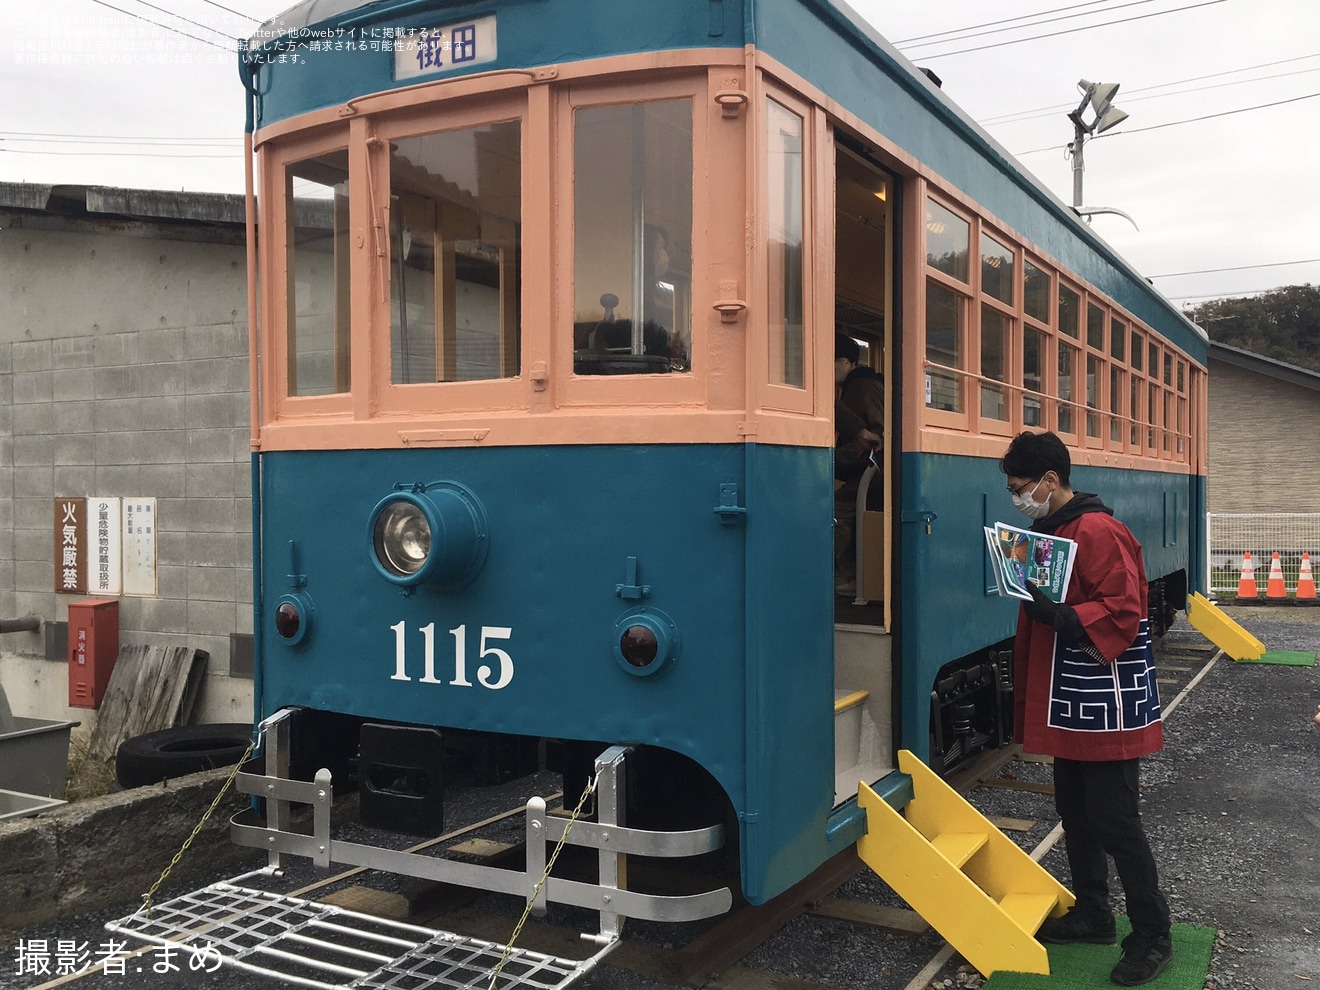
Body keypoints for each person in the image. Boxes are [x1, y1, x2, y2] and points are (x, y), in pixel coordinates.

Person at [1000, 430, 1174, 987]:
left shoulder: (1099, 530)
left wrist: (1064, 618)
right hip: (1071, 696)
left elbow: (1125, 609)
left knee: (1116, 820)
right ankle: (1095, 913)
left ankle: (1153, 935)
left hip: (1106, 700)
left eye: (1020, 487)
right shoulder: (1047, 528)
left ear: (1050, 480)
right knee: (1074, 809)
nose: (1016, 497)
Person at [834, 333, 884, 594]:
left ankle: (848, 574)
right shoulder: (866, 383)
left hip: (871, 470)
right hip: (871, 469)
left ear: (845, 362)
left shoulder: (861, 386)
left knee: (838, 508)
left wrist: (836, 459)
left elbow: (877, 433)